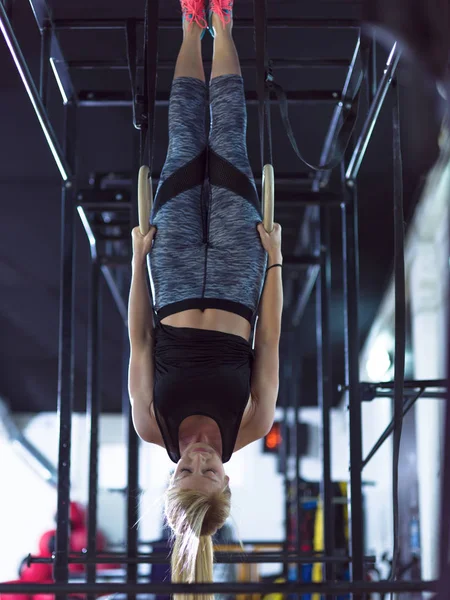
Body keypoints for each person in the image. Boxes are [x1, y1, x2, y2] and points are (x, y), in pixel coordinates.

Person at [128, 0, 283, 597]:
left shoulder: (151, 423)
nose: (196, 455)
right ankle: (223, 19)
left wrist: (139, 261)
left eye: (186, 468)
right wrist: (272, 260)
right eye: (209, 470)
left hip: (172, 270)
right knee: (230, 135)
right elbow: (268, 337)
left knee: (186, 135)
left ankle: (191, 22)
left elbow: (139, 339)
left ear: (174, 476)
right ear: (225, 480)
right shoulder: (253, 420)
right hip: (238, 277)